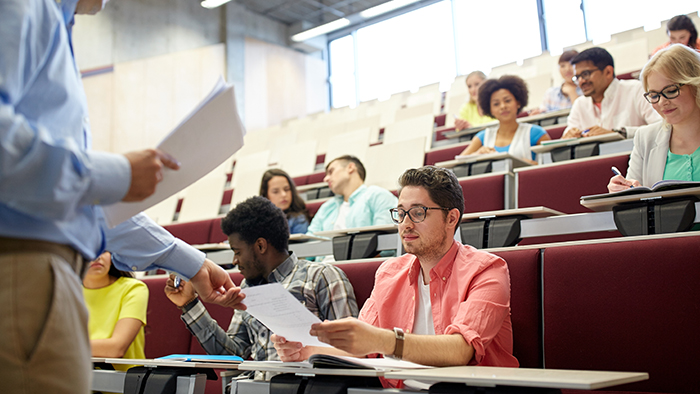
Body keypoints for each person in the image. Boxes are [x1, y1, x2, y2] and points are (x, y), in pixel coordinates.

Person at [0, 0, 243, 392]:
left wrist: (191, 264)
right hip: (22, 269)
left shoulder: (53, 21)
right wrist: (115, 173)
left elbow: (73, 200)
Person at [274, 166, 519, 388]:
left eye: (418, 213)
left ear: (451, 218)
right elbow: (365, 349)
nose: (405, 224)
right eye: (400, 213)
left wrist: (383, 340)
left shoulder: (487, 270)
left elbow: (461, 350)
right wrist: (305, 351)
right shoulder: (389, 272)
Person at [165, 196, 358, 380]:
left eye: (237, 252)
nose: (234, 261)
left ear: (260, 246)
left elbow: (354, 351)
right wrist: (190, 305)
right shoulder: (247, 288)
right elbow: (231, 355)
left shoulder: (322, 276)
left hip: (306, 386)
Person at [608, 44, 700, 192]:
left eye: (670, 91)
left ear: (696, 84)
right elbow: (632, 197)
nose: (662, 102)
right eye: (654, 95)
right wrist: (624, 191)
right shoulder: (646, 138)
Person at [562, 47, 662, 139]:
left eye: (585, 74)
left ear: (608, 72)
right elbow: (568, 136)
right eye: (577, 77)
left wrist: (619, 134)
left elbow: (661, 127)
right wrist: (569, 136)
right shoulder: (580, 104)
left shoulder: (635, 90)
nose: (581, 81)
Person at [459, 75, 550, 163]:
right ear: (490, 109)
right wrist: (477, 154)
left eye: (507, 101)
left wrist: (528, 164)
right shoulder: (482, 136)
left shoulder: (536, 133)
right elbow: (458, 164)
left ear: (518, 102)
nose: (503, 106)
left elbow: (552, 167)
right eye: (496, 104)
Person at [83, 251, 148, 371]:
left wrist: (61, 348)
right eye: (89, 249)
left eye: (103, 250)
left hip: (122, 383)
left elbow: (116, 348)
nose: (97, 257)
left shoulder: (134, 288)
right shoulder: (66, 292)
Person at [307, 155, 397, 233]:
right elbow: (310, 240)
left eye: (331, 172)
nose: (325, 179)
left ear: (350, 168)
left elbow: (386, 240)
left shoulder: (377, 195)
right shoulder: (327, 207)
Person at [529, 50, 582, 115]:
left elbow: (582, 114)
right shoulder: (551, 93)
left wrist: (572, 93)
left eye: (571, 64)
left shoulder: (585, 90)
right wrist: (537, 114)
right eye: (563, 66)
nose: (567, 69)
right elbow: (543, 114)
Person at [260, 169, 310, 234]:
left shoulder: (298, 219)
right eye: (276, 192)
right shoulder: (259, 220)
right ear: (266, 195)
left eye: (287, 189)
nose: (284, 195)